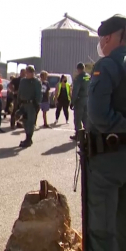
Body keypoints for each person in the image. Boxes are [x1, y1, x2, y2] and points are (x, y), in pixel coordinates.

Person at [84, 14, 126, 250]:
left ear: (109, 37)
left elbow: (99, 115)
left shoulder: (108, 65)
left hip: (109, 159)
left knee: (101, 230)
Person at [17, 66, 42, 148]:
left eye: (30, 72)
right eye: (27, 72)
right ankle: (28, 138)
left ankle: (28, 139)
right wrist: (18, 102)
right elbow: (20, 91)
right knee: (24, 121)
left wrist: (37, 103)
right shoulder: (23, 81)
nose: (28, 74)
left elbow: (39, 94)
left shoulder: (36, 82)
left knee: (30, 122)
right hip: (23, 104)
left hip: (32, 104)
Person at [69, 62, 90, 140]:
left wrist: (72, 102)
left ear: (78, 69)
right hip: (87, 99)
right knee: (86, 117)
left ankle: (78, 134)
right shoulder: (88, 77)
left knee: (78, 118)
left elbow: (75, 91)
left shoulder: (78, 78)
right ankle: (88, 134)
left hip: (80, 100)